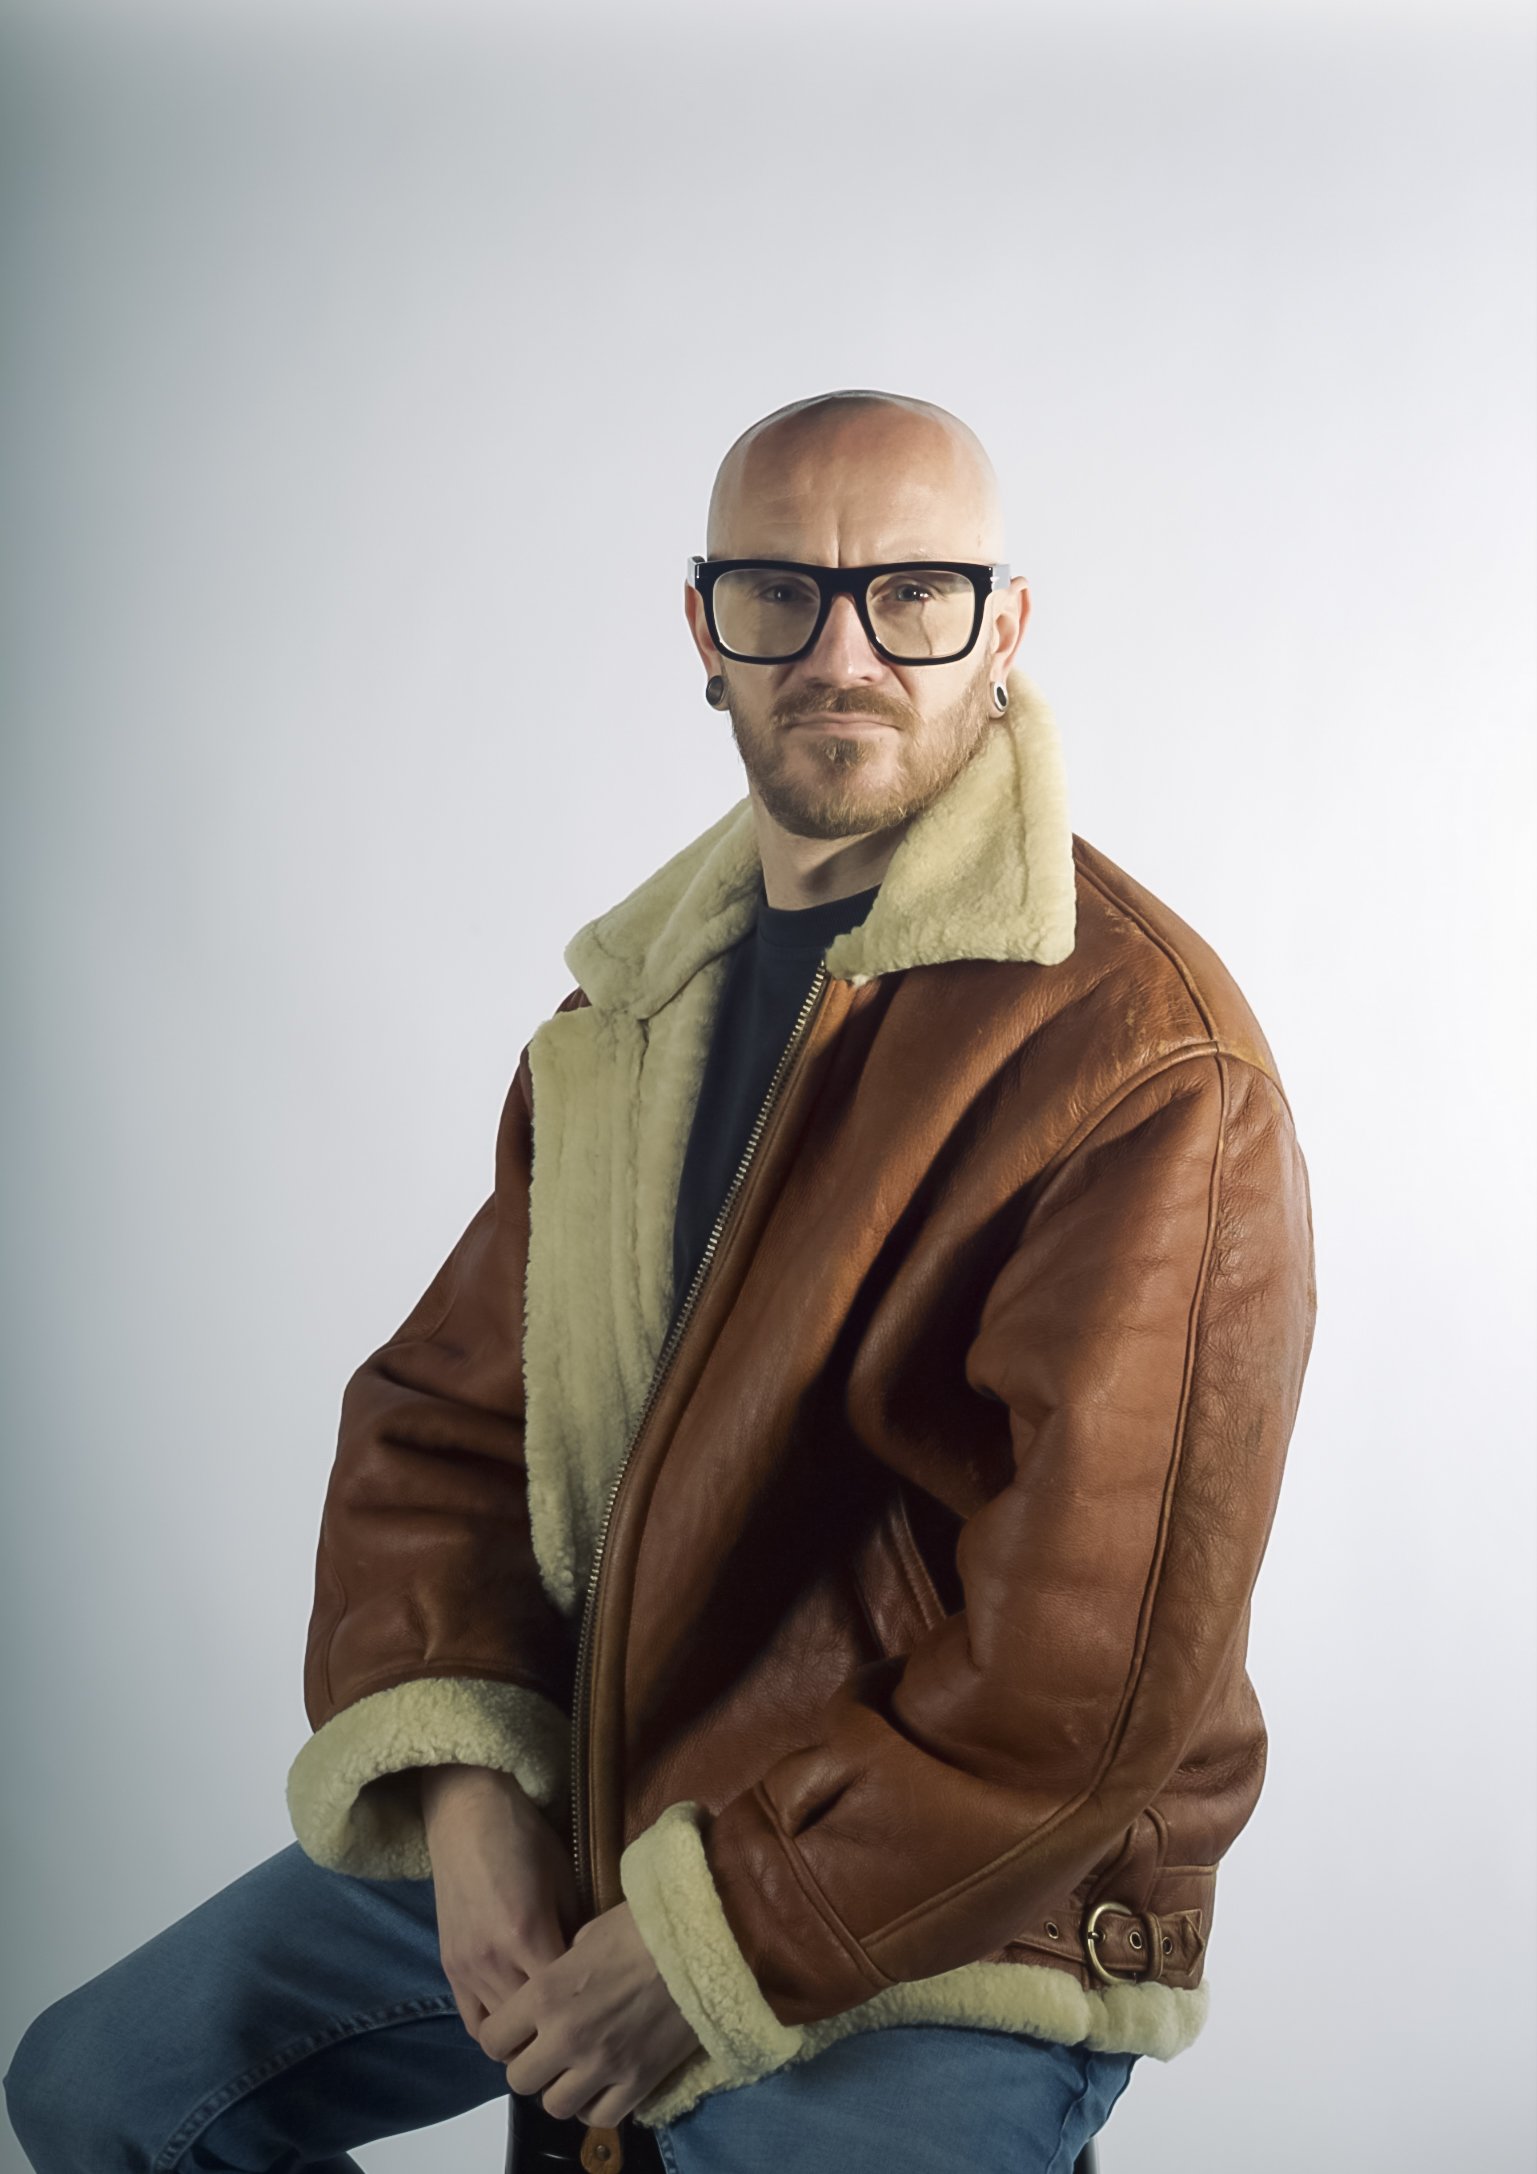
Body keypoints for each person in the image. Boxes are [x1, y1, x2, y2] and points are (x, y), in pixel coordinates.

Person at [4, 388, 1317, 2174]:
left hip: (964, 1891)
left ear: (1001, 628)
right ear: (704, 629)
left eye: (910, 594)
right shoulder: (629, 1017)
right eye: (780, 593)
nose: (842, 653)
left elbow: (1081, 1686)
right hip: (616, 1786)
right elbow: (450, 1427)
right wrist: (472, 1795)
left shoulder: (1146, 1061)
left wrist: (711, 1944)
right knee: (104, 2090)